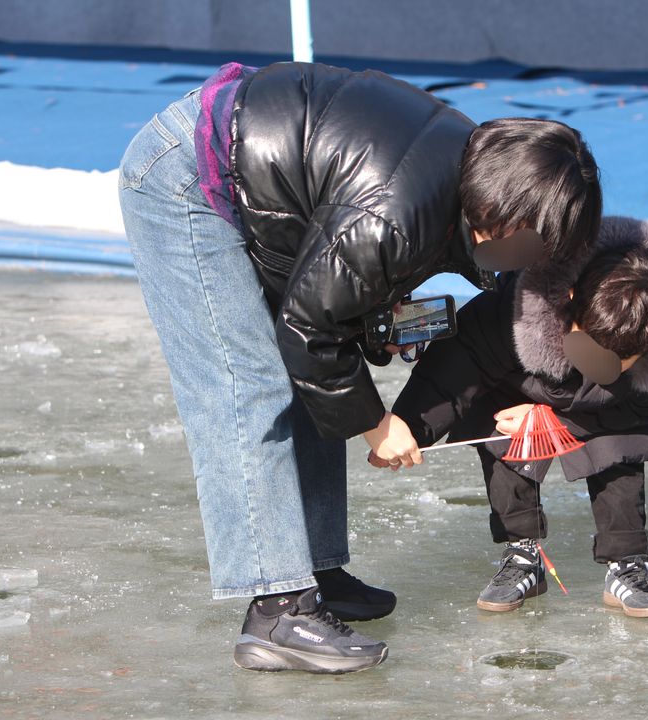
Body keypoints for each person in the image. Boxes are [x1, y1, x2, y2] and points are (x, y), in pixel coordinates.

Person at [117, 60, 602, 672]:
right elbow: (308, 330)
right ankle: (278, 611)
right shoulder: (396, 213)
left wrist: (374, 313)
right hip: (187, 176)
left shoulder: (468, 175)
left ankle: (312, 571)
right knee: (248, 388)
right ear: (503, 216)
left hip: (263, 168)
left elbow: (337, 289)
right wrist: (379, 424)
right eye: (537, 244)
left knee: (308, 383)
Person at [388, 216, 648, 618]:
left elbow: (637, 408)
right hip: (520, 380)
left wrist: (554, 422)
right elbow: (456, 363)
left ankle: (627, 562)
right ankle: (523, 553)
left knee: (621, 439)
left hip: (603, 407)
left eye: (616, 361)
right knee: (501, 428)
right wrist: (408, 425)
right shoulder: (515, 312)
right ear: (570, 297)